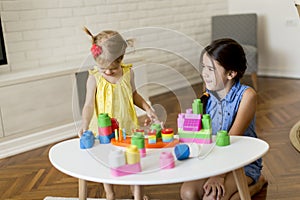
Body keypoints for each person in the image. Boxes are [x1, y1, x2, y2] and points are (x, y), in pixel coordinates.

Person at [180, 38, 264, 200]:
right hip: (213, 156)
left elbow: (231, 138)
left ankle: (257, 183)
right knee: (188, 193)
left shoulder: (247, 96)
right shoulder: (208, 92)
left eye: (211, 69)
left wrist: (219, 175)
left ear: (231, 73)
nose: (204, 73)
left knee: (212, 197)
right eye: (203, 67)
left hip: (239, 159)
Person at [79, 27, 156, 200]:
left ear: (121, 59)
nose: (107, 72)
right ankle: (110, 193)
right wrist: (84, 124)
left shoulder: (128, 73)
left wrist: (148, 109)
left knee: (133, 159)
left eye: (112, 69)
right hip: (102, 130)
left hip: (127, 126)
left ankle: (136, 193)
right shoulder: (94, 78)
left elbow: (134, 95)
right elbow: (88, 104)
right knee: (106, 161)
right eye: (102, 68)